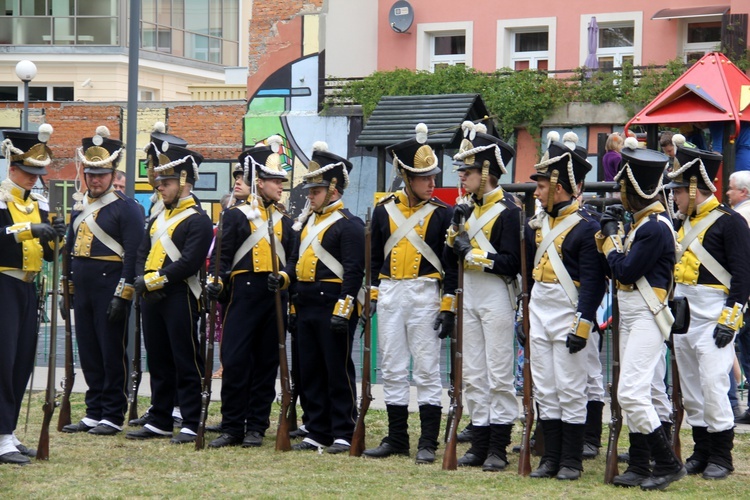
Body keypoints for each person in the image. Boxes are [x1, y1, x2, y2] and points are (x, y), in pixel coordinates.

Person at [361, 124, 456, 464]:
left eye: (432, 176)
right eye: (424, 177)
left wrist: (448, 306)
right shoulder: (384, 210)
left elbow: (450, 266)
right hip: (390, 293)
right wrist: (371, 296)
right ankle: (397, 438)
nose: (432, 183)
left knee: (428, 369)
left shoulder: (444, 215)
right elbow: (373, 261)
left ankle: (428, 442)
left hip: (425, 293)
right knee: (393, 367)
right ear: (405, 176)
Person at [598, 137, 685, 490]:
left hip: (648, 314)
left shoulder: (652, 228)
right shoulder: (643, 225)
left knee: (630, 393)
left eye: (622, 188)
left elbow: (626, 271)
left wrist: (608, 242)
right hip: (633, 312)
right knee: (639, 392)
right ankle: (638, 464)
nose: (619, 194)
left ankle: (666, 463)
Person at [272, 141, 364, 454]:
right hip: (307, 302)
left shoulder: (350, 225)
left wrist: (344, 309)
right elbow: (295, 264)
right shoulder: (305, 224)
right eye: (310, 191)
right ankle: (316, 429)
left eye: (316, 190)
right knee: (308, 370)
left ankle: (343, 430)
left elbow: (353, 273)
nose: (310, 196)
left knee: (336, 370)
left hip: (333, 303)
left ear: (333, 189)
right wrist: (284, 281)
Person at [524, 131, 606, 480]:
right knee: (544, 385)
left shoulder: (587, 228)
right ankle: (550, 456)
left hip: (568, 311)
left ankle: (571, 460)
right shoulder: (538, 224)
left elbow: (594, 283)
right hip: (540, 307)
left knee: (571, 387)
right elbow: (529, 279)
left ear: (557, 186)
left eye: (541, 186)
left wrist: (583, 324)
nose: (536, 192)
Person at [666, 144, 750, 479]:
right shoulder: (682, 223)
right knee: (691, 388)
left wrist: (731, 320)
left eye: (676, 191)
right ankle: (701, 451)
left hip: (715, 314)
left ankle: (722, 456)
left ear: (691, 189)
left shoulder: (730, 223)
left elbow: (743, 275)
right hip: (684, 313)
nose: (674, 197)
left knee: (714, 383)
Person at [206, 137, 295, 448]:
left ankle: (256, 426)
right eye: (274, 180)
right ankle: (232, 426)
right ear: (259, 182)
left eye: (280, 180)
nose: (280, 185)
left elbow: (293, 261)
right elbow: (223, 257)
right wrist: (216, 281)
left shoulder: (286, 220)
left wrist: (284, 277)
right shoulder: (235, 215)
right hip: (241, 296)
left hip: (274, 296)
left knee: (266, 363)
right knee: (236, 360)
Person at [126, 141, 213, 444]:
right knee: (158, 360)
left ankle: (191, 420)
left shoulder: (198, 219)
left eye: (167, 181)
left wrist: (153, 282)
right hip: (153, 296)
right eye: (160, 181)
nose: (160, 186)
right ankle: (160, 418)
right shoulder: (158, 216)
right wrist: (141, 279)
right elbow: (141, 251)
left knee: (185, 359)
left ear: (185, 181)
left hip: (180, 297)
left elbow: (188, 263)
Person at [445, 121, 520, 470]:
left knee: (499, 372)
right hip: (471, 293)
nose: (463, 176)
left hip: (496, 295)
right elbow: (451, 257)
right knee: (474, 371)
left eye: (469, 170)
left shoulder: (509, 212)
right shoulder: (467, 209)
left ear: (486, 171)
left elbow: (510, 262)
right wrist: (456, 233)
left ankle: (498, 446)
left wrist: (469, 252)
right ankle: (479, 438)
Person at [60, 126, 144, 436]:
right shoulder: (79, 207)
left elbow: (134, 254)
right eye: (91, 173)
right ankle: (93, 411)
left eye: (102, 174)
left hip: (110, 286)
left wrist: (123, 294)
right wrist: (65, 289)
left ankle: (112, 413)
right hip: (83, 288)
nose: (95, 179)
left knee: (111, 352)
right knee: (90, 352)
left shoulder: (128, 209)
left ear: (113, 174)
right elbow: (69, 249)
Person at [0, 126, 65, 465]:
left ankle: (7, 432)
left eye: (37, 173)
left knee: (22, 360)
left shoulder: (39, 204)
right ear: (12, 168)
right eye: (27, 172)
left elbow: (51, 254)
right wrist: (27, 229)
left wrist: (57, 235)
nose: (33, 179)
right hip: (3, 285)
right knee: (3, 360)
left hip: (29, 286)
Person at [726, 170, 750, 424]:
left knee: (726, 349)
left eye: (731, 188)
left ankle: (730, 403)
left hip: (742, 294)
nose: (727, 192)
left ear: (743, 192)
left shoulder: (738, 217)